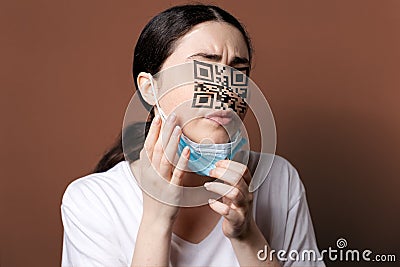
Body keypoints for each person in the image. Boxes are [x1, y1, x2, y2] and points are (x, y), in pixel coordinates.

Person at [61, 4, 325, 267]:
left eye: (238, 73)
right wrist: (157, 219)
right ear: (150, 89)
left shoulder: (279, 179)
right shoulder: (93, 202)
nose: (225, 91)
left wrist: (246, 235)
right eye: (202, 71)